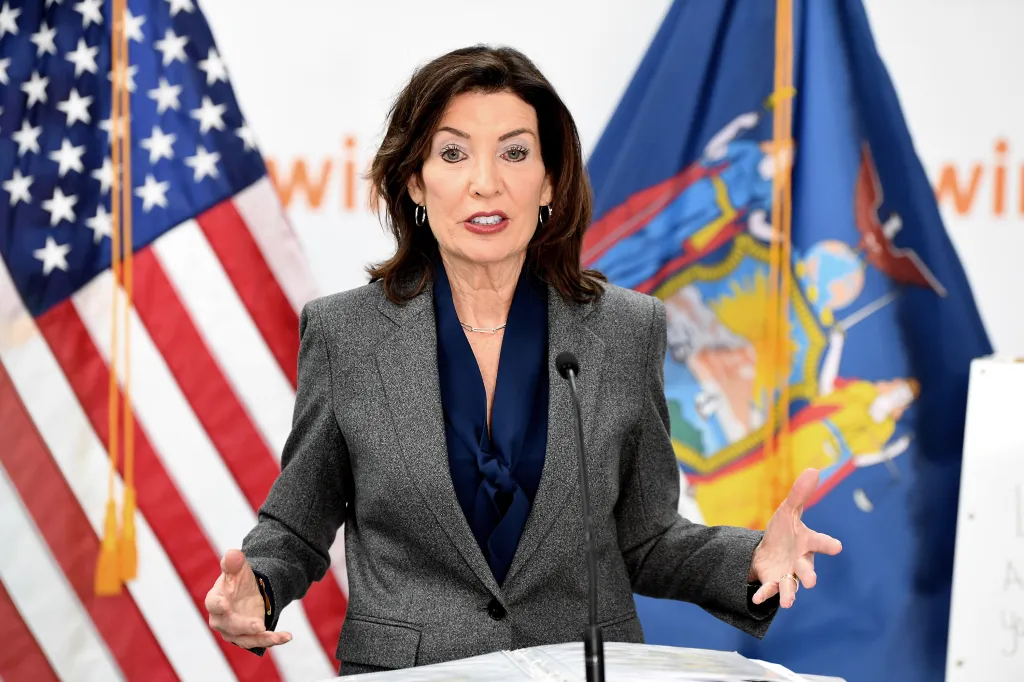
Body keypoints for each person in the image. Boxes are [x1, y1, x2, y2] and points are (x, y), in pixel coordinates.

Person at [204, 45, 843, 676]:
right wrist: (257, 587)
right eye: (454, 154)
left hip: (583, 668)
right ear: (415, 181)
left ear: (549, 182)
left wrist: (752, 558)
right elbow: (298, 521)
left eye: (515, 153)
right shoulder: (347, 333)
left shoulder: (625, 329)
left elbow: (646, 538)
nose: (488, 181)